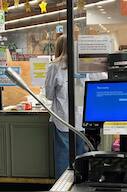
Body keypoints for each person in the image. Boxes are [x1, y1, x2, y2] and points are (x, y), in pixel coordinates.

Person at [45, 35, 86, 179]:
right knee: (81, 158)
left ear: (58, 48)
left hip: (62, 119)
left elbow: (49, 95)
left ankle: (62, 187)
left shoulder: (54, 66)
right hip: (81, 120)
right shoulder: (83, 64)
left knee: (63, 159)